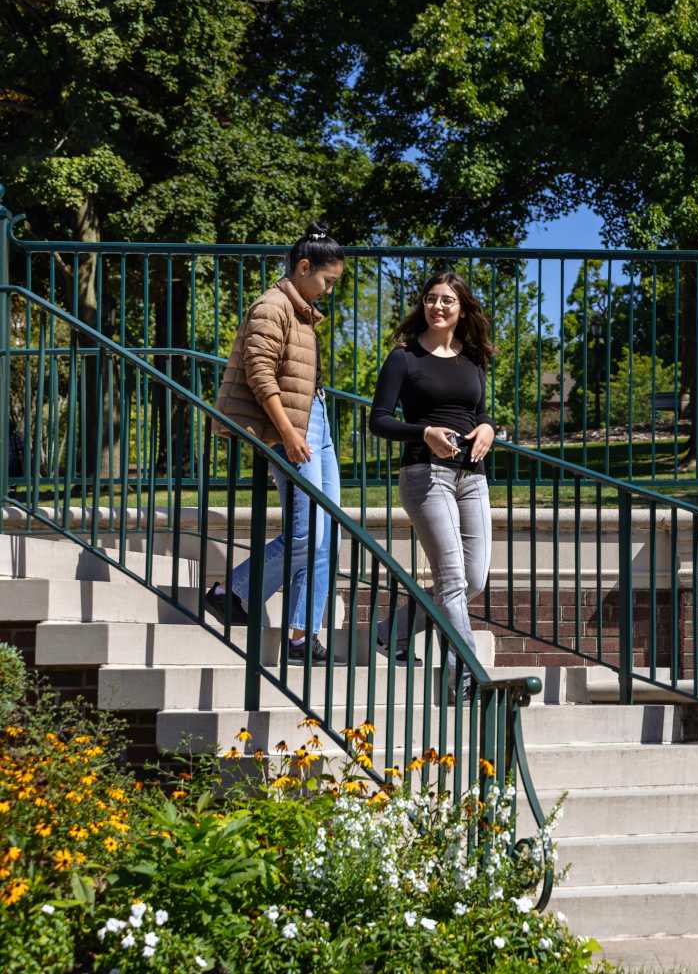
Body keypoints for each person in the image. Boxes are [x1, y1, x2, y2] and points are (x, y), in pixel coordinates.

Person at [203, 223, 346, 664]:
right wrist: (287, 432)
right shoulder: (272, 306)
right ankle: (232, 593)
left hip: (314, 420)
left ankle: (303, 636)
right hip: (295, 427)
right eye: (327, 280)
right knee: (306, 534)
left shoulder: (300, 310)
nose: (328, 290)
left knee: (329, 537)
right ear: (304, 267)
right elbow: (259, 373)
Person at [368, 272, 497, 696]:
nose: (437, 307)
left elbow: (478, 411)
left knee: (473, 579)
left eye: (447, 301)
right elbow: (380, 420)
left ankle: (393, 632)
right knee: (453, 580)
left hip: (472, 477)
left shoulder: (472, 358)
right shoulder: (404, 358)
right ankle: (467, 673)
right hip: (426, 475)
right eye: (431, 299)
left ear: (461, 309)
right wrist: (423, 432)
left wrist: (488, 428)